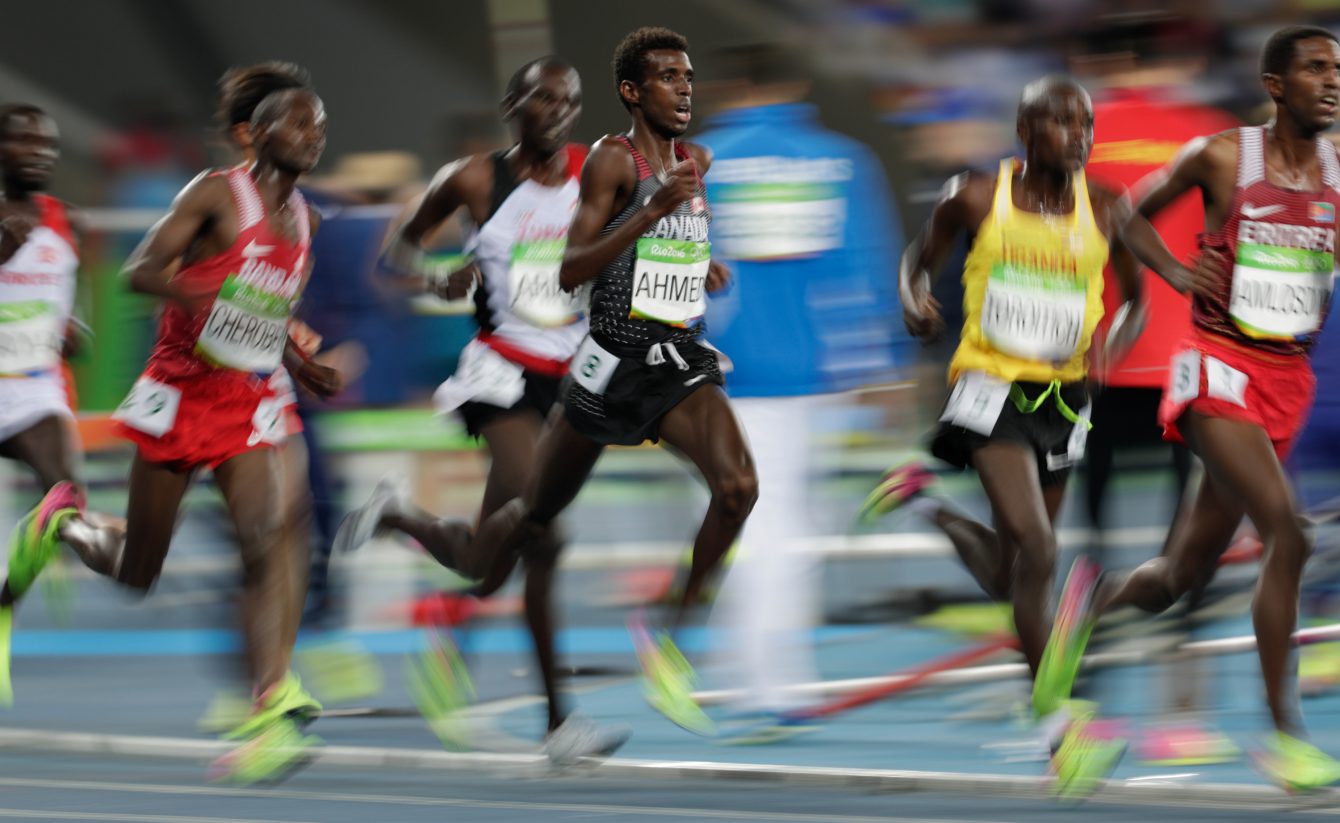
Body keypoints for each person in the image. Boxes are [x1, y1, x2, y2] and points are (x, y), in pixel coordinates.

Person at [869, 74, 1206, 796]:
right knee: (1041, 546)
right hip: (988, 388)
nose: (1078, 136)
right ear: (1026, 132)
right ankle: (1057, 730)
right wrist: (915, 299)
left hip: (1065, 399)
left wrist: (1118, 335)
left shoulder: (1108, 206)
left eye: (1084, 123)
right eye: (1060, 123)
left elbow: (1151, 289)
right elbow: (913, 262)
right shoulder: (976, 195)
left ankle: (924, 500)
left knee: (1012, 572)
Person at [418, 26, 748, 751]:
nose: (685, 87)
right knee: (532, 521)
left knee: (738, 489)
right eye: (667, 77)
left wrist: (701, 261)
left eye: (688, 75)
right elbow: (571, 270)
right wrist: (651, 211)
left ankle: (670, 645)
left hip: (676, 353)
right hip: (607, 361)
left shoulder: (699, 159)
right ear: (633, 92)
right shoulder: (610, 161)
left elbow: (674, 246)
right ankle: (459, 590)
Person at [1033, 26, 1340, 792]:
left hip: (1284, 381)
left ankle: (1090, 604)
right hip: (1215, 371)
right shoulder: (1223, 156)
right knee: (1288, 532)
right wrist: (1174, 268)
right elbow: (1120, 214)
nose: (1333, 81)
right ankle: (1285, 738)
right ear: (1275, 83)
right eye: (1316, 68)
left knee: (1181, 573)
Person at [18, 87, 338, 783]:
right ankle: (61, 523)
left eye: (321, 125)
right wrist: (194, 292)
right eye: (301, 121)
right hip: (179, 395)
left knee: (268, 536)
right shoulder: (217, 195)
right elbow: (140, 272)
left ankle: (272, 704)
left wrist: (299, 361)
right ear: (258, 132)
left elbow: (268, 313)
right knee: (138, 570)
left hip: (245, 402)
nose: (315, 134)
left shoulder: (307, 221)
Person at [693, 43, 904, 737]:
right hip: (820, 372)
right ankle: (771, 674)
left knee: (754, 515)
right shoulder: (844, 161)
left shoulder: (696, 163)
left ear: (726, 88)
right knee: (787, 516)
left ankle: (750, 664)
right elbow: (872, 266)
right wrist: (887, 366)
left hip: (727, 368)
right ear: (797, 84)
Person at [338, 55, 588, 602]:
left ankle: (398, 516)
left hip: (567, 375)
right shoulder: (473, 179)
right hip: (500, 372)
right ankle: (549, 681)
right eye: (544, 98)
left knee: (480, 562)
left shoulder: (595, 172)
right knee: (544, 526)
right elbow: (394, 255)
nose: (558, 112)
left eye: (568, 101)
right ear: (511, 109)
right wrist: (434, 277)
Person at [0, 104, 128, 704]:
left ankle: (6, 603)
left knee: (63, 498)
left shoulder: (65, 221)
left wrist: (71, 327)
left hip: (32, 387)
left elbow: (62, 299)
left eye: (48, 143)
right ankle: (85, 533)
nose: (41, 152)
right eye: (24, 141)